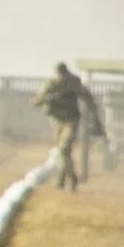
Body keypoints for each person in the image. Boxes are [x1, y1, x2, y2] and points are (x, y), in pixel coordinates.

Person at [32, 62, 103, 191]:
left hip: (71, 120)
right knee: (62, 151)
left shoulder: (73, 83)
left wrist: (95, 117)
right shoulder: (51, 84)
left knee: (64, 149)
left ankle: (69, 179)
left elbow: (87, 97)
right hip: (57, 121)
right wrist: (50, 98)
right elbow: (36, 101)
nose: (61, 78)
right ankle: (64, 178)